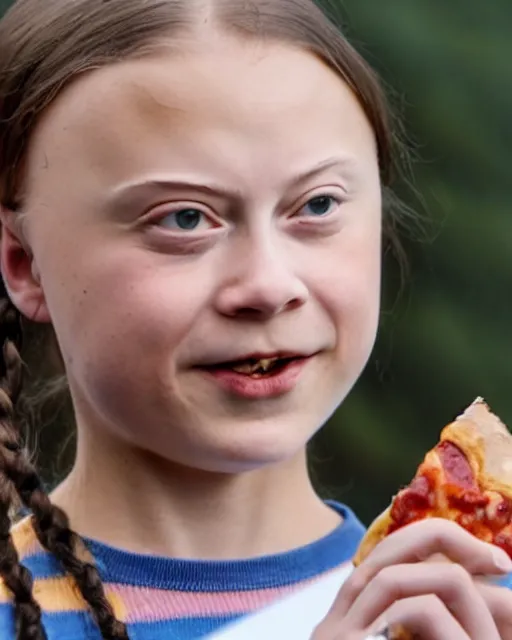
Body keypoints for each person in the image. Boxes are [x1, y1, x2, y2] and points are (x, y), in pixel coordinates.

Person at [0, 0, 511, 639]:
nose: (268, 286)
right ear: (23, 262)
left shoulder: (477, 599)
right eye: (183, 218)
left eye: (318, 204)